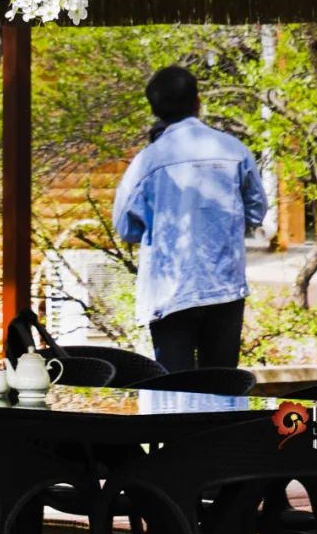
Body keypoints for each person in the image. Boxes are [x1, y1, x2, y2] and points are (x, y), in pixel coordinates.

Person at [112, 64, 268, 372]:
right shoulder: (234, 150)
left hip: (169, 291)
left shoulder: (147, 161)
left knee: (175, 390)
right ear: (197, 101)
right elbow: (256, 210)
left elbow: (125, 226)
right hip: (224, 288)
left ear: (155, 110)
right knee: (222, 387)